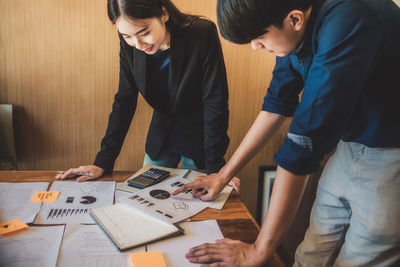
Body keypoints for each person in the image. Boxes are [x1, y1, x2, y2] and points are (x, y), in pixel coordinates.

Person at [173, 0, 400, 266]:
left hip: (392, 152)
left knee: (364, 254)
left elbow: (304, 144)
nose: (256, 47)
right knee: (314, 249)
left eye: (258, 38)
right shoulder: (291, 25)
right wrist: (222, 176)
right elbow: (277, 103)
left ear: (294, 20)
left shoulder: (349, 19)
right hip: (351, 144)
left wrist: (259, 251)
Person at [56, 0, 238, 190]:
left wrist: (216, 168)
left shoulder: (201, 33)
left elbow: (215, 101)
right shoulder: (131, 43)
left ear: (164, 14)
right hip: (160, 139)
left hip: (200, 141)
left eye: (144, 32)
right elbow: (125, 99)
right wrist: (103, 161)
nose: (138, 44)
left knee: (197, 205)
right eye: (127, 36)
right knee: (146, 198)